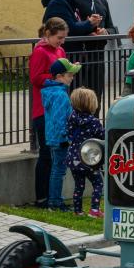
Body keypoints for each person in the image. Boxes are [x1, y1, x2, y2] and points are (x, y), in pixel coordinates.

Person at [30, 19, 69, 207]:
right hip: (43, 110)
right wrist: (56, 79)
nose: (61, 41)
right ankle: (42, 197)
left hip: (57, 109)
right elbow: (35, 78)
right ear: (48, 34)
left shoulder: (60, 51)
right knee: (46, 154)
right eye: (58, 37)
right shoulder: (40, 51)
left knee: (56, 154)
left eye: (63, 38)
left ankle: (54, 196)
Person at [41, 58, 81, 211]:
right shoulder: (60, 95)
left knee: (56, 169)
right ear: (59, 76)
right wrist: (65, 137)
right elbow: (59, 119)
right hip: (60, 139)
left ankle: (55, 200)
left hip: (53, 137)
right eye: (69, 75)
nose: (72, 78)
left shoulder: (52, 92)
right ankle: (56, 202)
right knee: (59, 171)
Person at [41, 0, 104, 65]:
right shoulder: (58, 3)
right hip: (64, 56)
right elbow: (70, 28)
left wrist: (91, 27)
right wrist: (89, 23)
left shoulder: (68, 0)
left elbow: (74, 25)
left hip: (70, 55)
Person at [74, 0, 116, 103]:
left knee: (96, 96)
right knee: (80, 98)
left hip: (98, 55)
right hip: (79, 56)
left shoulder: (102, 0)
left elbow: (112, 28)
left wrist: (105, 32)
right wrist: (87, 28)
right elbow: (70, 26)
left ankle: (95, 123)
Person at [65, 87, 105, 218]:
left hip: (74, 158)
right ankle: (94, 210)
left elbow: (69, 133)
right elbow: (103, 136)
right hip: (89, 158)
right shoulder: (94, 122)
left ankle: (78, 210)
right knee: (98, 183)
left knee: (79, 185)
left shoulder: (72, 117)